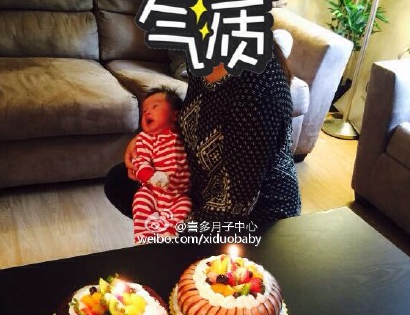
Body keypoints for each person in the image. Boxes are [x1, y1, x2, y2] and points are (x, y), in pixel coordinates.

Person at [104, 36, 301, 236]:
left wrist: (172, 231)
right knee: (119, 182)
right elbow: (197, 116)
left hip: (253, 218)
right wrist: (155, 136)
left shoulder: (257, 90)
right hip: (203, 185)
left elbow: (234, 206)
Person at [130, 87, 191, 242]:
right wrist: (150, 175)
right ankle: (143, 239)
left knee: (186, 205)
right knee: (140, 200)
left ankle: (168, 233)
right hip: (153, 191)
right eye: (144, 111)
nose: (147, 113)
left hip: (178, 194)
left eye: (155, 107)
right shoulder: (146, 139)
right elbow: (140, 160)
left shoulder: (184, 135)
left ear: (176, 115)